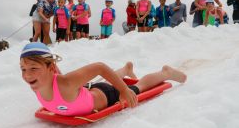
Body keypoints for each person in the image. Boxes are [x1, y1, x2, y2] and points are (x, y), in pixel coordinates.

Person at [20, 42, 187, 116]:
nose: (27, 75)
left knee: (140, 85)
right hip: (86, 91)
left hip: (106, 95)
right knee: (99, 84)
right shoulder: (37, 82)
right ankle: (125, 70)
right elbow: (51, 73)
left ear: (50, 69)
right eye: (23, 69)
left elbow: (100, 67)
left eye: (34, 69)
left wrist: (124, 90)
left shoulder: (66, 83)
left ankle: (165, 72)